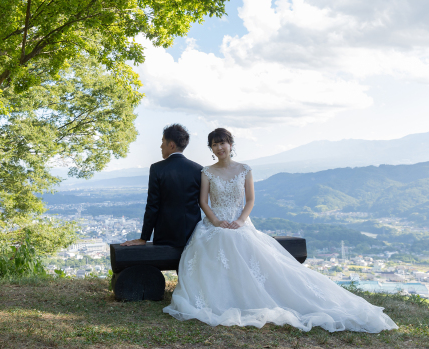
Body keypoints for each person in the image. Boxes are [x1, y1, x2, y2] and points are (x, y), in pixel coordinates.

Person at [163, 128, 398, 332]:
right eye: (214, 144)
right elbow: (204, 202)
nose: (219, 147)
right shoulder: (207, 172)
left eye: (222, 142)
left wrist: (241, 221)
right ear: (211, 149)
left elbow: (250, 201)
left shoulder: (244, 169)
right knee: (215, 243)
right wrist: (214, 221)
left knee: (250, 251)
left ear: (230, 145)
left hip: (239, 222)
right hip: (214, 224)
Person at [121, 124, 203, 248]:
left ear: (171, 145)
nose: (160, 146)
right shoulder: (199, 169)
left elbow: (152, 206)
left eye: (162, 141)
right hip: (194, 234)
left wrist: (144, 238)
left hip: (166, 235)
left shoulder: (157, 169)